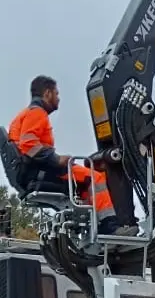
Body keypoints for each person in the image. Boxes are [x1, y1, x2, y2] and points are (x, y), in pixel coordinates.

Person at [8, 75, 138, 237]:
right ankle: (109, 226)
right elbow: (29, 145)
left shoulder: (23, 115)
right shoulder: (37, 114)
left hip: (31, 172)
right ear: (47, 93)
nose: (59, 98)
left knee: (82, 184)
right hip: (41, 171)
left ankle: (94, 223)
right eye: (56, 94)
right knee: (95, 178)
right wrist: (56, 159)